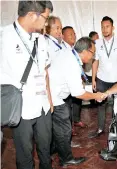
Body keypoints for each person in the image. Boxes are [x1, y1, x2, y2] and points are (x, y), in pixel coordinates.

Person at [0, 1, 54, 169]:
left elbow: (45, 72)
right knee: (25, 155)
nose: (46, 22)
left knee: (46, 149)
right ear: (32, 15)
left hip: (43, 107)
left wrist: (50, 100)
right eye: (45, 17)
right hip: (21, 108)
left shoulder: (41, 39)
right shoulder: (5, 37)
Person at [48, 37, 104, 166]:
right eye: (93, 53)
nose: (93, 57)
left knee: (57, 128)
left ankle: (55, 150)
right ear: (85, 51)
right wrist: (96, 95)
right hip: (55, 98)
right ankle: (66, 158)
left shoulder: (68, 52)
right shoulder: (72, 64)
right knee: (64, 130)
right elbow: (78, 93)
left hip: (53, 93)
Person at [89, 16, 117, 138]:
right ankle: (100, 129)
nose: (105, 29)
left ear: (113, 28)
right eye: (103, 27)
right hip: (101, 80)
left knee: (116, 106)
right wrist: (93, 79)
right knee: (101, 105)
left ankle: (114, 129)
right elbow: (95, 61)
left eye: (107, 26)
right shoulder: (97, 43)